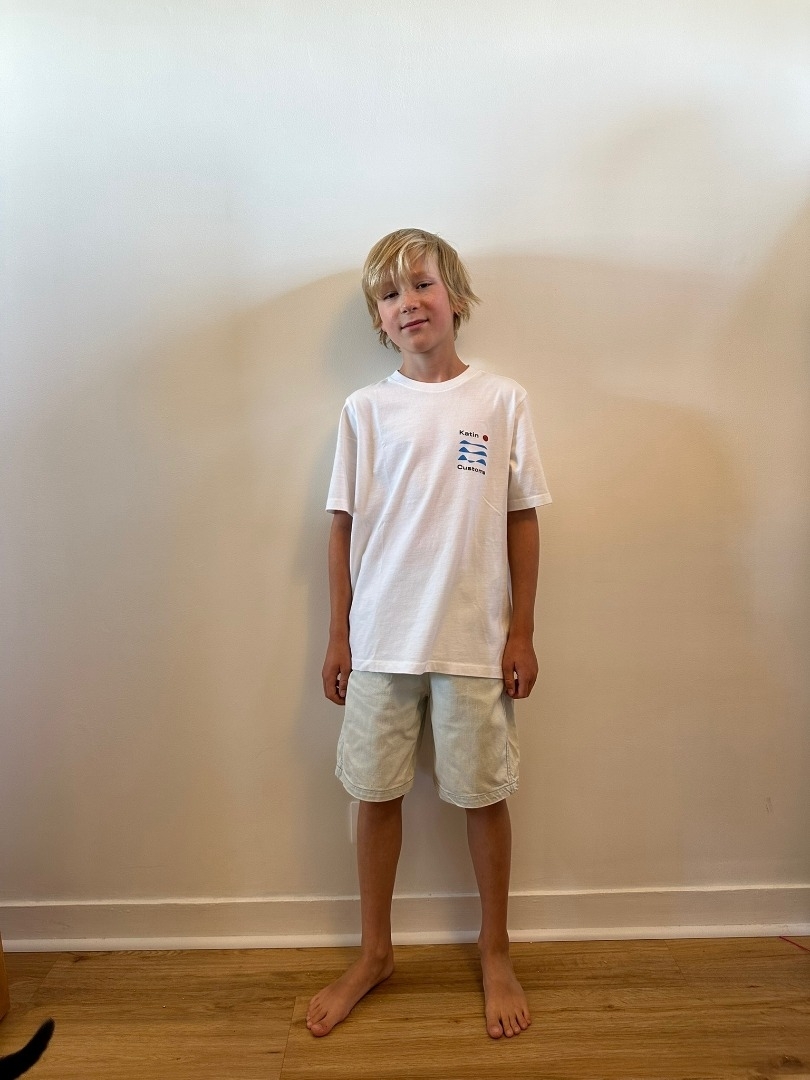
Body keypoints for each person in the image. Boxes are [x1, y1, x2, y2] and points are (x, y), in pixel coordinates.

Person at [307, 228, 551, 1040]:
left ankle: (495, 949)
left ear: (456, 297)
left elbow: (521, 519)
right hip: (381, 639)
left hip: (474, 641)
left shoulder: (501, 400)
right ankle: (375, 952)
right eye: (389, 294)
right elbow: (341, 527)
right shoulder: (365, 410)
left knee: (483, 796)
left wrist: (522, 631)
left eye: (421, 285)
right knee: (374, 794)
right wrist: (339, 636)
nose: (407, 303)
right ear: (378, 320)